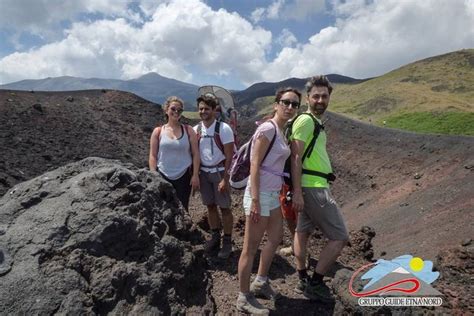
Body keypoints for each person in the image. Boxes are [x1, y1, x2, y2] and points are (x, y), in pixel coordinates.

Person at [236, 88, 300, 315]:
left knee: (275, 239)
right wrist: (254, 200)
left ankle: (261, 281)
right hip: (259, 195)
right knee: (250, 248)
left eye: (294, 104)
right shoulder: (267, 128)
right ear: (276, 104)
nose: (290, 107)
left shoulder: (282, 132)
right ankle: (243, 297)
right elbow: (254, 164)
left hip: (272, 195)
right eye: (286, 102)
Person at [289, 75, 349, 302]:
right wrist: (297, 191)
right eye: (316, 96)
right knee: (339, 237)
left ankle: (302, 278)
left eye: (324, 96)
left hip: (310, 186)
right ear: (308, 98)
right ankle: (314, 284)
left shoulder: (313, 121)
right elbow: (296, 157)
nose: (320, 100)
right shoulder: (306, 121)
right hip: (313, 188)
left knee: (302, 231)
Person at [194, 94, 235, 259]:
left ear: (214, 110)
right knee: (210, 206)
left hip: (219, 172)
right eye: (201, 108)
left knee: (225, 207)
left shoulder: (223, 129)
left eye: (206, 108)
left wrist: (225, 178)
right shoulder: (196, 129)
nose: (203, 111)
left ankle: (227, 240)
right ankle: (215, 236)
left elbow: (230, 156)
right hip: (204, 172)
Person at [149, 96, 200, 211]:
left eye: (179, 110)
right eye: (173, 109)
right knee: (162, 208)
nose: (176, 112)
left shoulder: (188, 130)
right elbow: (153, 155)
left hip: (184, 176)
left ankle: (182, 229)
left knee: (182, 208)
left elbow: (196, 154)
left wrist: (195, 175)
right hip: (162, 175)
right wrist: (153, 174)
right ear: (166, 110)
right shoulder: (158, 131)